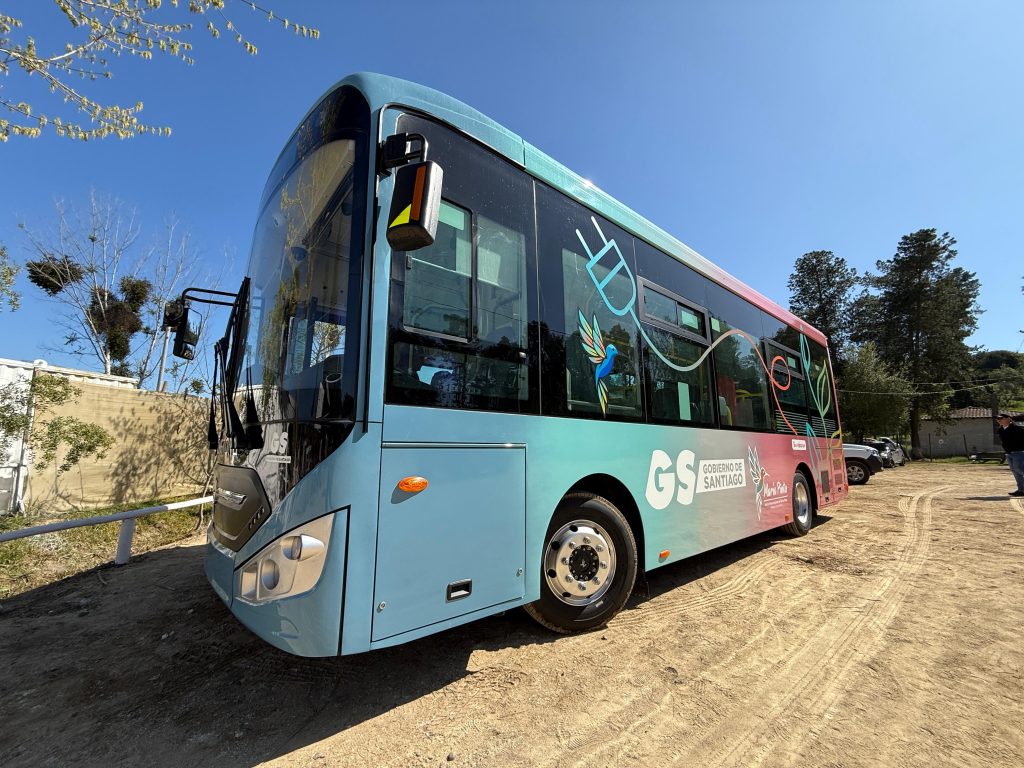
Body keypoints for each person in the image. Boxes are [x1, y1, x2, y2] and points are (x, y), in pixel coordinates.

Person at [995, 413, 1024, 497]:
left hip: (1019, 452)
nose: (999, 420)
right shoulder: (1000, 430)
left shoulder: (1017, 429)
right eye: (998, 419)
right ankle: (1021, 490)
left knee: (1018, 469)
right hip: (1009, 453)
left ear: (1008, 419)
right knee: (1015, 471)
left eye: (1001, 418)